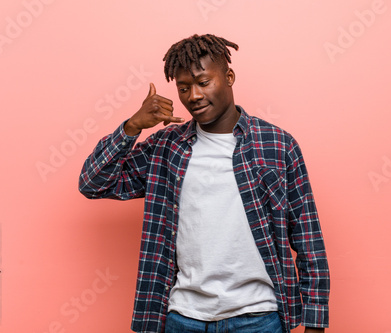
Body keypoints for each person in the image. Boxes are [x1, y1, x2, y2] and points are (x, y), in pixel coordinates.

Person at [79, 33, 329, 333]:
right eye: (184, 88)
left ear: (229, 76)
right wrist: (132, 127)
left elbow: (307, 236)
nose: (193, 96)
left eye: (203, 82)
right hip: (183, 318)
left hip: (259, 318)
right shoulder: (166, 148)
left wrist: (315, 322)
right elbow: (94, 183)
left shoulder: (276, 144)